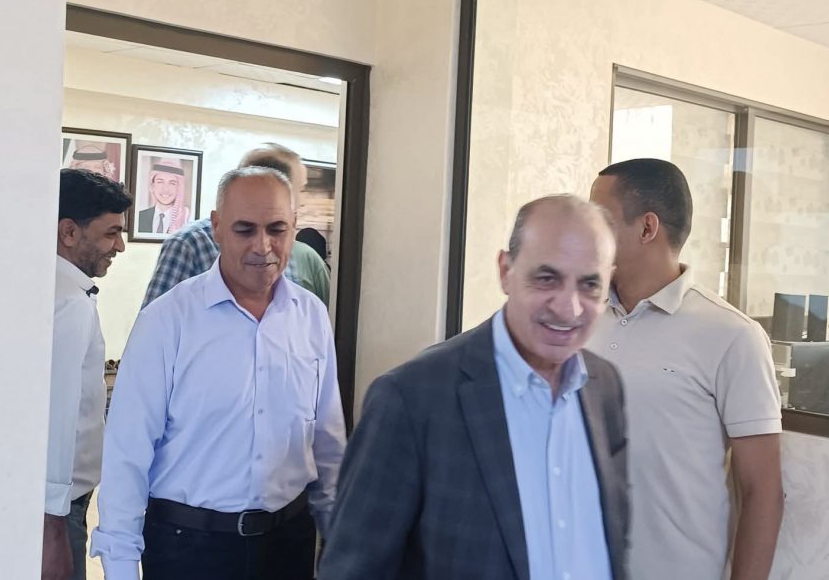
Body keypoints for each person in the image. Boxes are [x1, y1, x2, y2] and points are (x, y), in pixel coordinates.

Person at [320, 195, 630, 580]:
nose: (569, 308)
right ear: (505, 271)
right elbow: (353, 570)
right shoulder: (412, 399)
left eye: (590, 285)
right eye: (547, 278)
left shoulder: (605, 388)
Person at [91, 167, 346, 580]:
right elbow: (127, 453)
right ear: (216, 227)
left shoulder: (311, 316)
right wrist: (120, 566)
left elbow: (327, 441)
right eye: (245, 229)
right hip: (189, 548)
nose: (262, 246)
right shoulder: (168, 321)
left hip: (288, 544)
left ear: (294, 227)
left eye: (276, 229)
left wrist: (340, 541)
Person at [588, 158, 784, 580]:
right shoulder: (579, 317)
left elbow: (763, 491)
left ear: (647, 228)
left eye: (600, 219)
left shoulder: (732, 335)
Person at [44, 169, 131, 580]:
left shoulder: (58, 292)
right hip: (60, 509)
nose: (120, 246)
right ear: (69, 232)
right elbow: (57, 417)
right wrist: (52, 526)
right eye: (111, 233)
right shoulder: (69, 305)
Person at [141, 143, 330, 307]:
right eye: (301, 189)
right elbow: (156, 324)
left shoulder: (296, 259)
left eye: (276, 229)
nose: (262, 247)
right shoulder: (189, 244)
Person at [137, 157, 190, 235]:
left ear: (178, 188)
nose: (165, 189)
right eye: (160, 182)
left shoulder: (186, 220)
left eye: (172, 183)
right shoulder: (139, 217)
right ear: (152, 186)